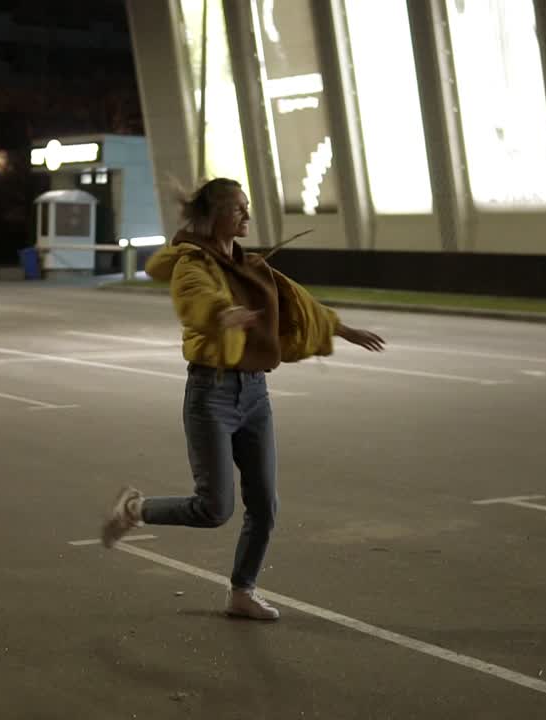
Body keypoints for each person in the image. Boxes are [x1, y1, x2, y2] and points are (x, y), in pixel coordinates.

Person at [101, 178, 385, 621]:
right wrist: (222, 314)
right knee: (214, 508)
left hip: (255, 393)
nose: (246, 217)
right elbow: (195, 296)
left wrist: (341, 329)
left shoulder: (251, 266)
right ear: (215, 216)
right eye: (238, 209)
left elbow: (297, 303)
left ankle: (242, 592)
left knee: (265, 504)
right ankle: (134, 510)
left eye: (247, 208)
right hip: (210, 393)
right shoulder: (192, 262)